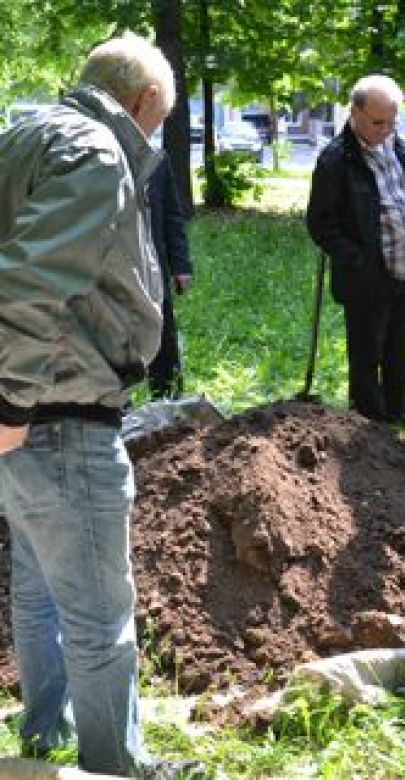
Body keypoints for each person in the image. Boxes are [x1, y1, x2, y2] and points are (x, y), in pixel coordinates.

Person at [0, 33, 200, 778]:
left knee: (39, 587)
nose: (154, 136)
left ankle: (46, 732)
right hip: (55, 407)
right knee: (97, 611)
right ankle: (115, 765)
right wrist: (12, 403)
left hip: (26, 410)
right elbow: (26, 284)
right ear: (146, 102)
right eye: (160, 122)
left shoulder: (22, 134)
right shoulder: (95, 152)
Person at [306, 74, 405, 431]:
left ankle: (401, 422)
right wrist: (359, 261)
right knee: (366, 360)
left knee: (400, 355)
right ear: (355, 113)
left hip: (404, 272)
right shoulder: (336, 160)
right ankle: (369, 434)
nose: (387, 130)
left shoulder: (396, 145)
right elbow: (320, 224)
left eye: (393, 122)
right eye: (379, 122)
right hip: (366, 280)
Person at [146, 150, 194, 400]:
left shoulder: (157, 160)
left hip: (154, 266)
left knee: (163, 338)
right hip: (112, 268)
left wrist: (181, 265)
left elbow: (172, 216)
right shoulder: (101, 155)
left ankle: (168, 399)